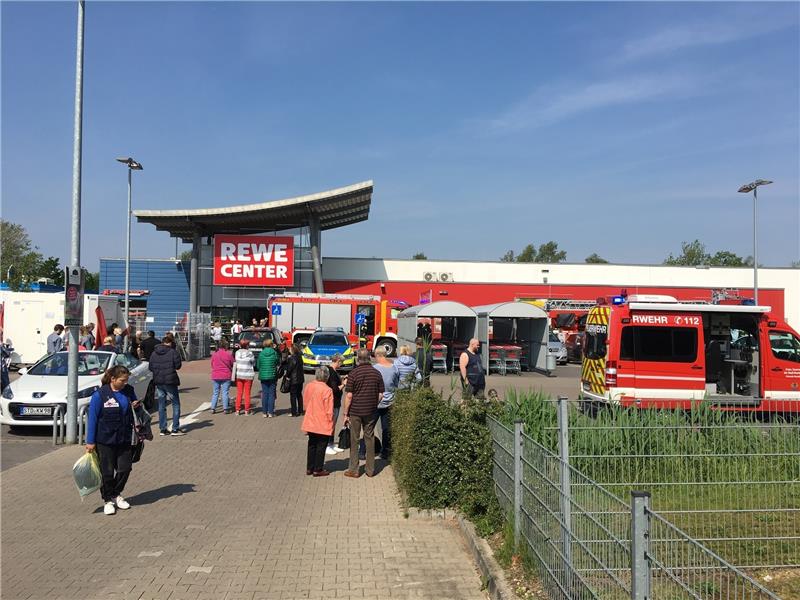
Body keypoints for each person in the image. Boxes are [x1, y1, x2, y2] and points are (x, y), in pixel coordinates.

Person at [85, 365, 138, 515]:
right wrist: (90, 442)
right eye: (122, 380)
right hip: (105, 440)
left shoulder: (129, 391)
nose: (125, 383)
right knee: (106, 472)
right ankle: (108, 500)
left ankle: (116, 493)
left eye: (127, 380)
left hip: (124, 438)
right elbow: (93, 419)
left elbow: (136, 409)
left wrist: (136, 405)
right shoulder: (100, 395)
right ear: (113, 379)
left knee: (125, 468)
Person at [343, 349, 384, 478]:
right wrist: (373, 403)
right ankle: (370, 470)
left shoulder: (353, 374)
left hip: (355, 411)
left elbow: (349, 396)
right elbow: (381, 394)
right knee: (369, 438)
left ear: (358, 359)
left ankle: (354, 470)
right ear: (369, 358)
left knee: (354, 439)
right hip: (371, 411)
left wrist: (345, 414)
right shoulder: (377, 374)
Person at [148, 332, 185, 435]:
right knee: (175, 404)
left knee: (161, 404)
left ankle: (163, 428)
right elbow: (178, 366)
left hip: (158, 381)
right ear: (170, 343)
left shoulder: (154, 353)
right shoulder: (173, 352)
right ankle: (175, 428)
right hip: (170, 380)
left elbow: (150, 367)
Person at [301, 367, 334, 477]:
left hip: (310, 419)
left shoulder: (309, 386)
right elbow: (329, 409)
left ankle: (309, 468)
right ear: (327, 377)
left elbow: (305, 401)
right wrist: (331, 421)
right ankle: (318, 468)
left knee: (312, 444)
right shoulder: (327, 390)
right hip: (322, 421)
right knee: (321, 445)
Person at [373, 348, 399, 461]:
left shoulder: (375, 368)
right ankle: (386, 452)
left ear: (378, 355)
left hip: (376, 402)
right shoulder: (394, 368)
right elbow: (397, 384)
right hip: (390, 401)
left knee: (369, 427)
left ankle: (364, 451)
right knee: (386, 428)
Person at [325, 354, 346, 454]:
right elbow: (335, 389)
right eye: (341, 362)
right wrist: (344, 384)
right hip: (333, 401)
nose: (341, 365)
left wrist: (341, 379)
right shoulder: (332, 373)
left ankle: (331, 443)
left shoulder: (332, 371)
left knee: (333, 424)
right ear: (337, 361)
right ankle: (328, 445)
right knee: (331, 424)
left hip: (335, 402)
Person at [257, 338, 280, 418]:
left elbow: (258, 365)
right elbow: (278, 362)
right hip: (272, 375)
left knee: (265, 394)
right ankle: (270, 412)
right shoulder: (274, 353)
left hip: (263, 376)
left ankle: (264, 412)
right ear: (271, 344)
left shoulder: (261, 354)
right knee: (271, 394)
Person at [210, 339, 234, 414]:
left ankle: (213, 408)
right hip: (226, 375)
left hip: (216, 375)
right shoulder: (228, 354)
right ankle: (225, 408)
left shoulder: (214, 354)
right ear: (225, 346)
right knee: (225, 392)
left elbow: (212, 364)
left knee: (215, 392)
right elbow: (233, 363)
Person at [234, 339, 256, 415]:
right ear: (247, 345)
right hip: (248, 375)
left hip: (239, 374)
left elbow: (236, 361)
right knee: (247, 393)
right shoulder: (250, 353)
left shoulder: (237, 353)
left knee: (239, 392)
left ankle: (237, 410)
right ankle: (247, 410)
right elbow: (253, 363)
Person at [284, 343, 305, 417]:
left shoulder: (292, 358)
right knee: (299, 395)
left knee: (293, 396)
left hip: (294, 379)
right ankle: (300, 410)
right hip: (300, 379)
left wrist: (287, 376)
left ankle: (294, 412)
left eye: (290, 348)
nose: (289, 349)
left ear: (292, 349)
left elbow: (289, 369)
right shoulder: (300, 357)